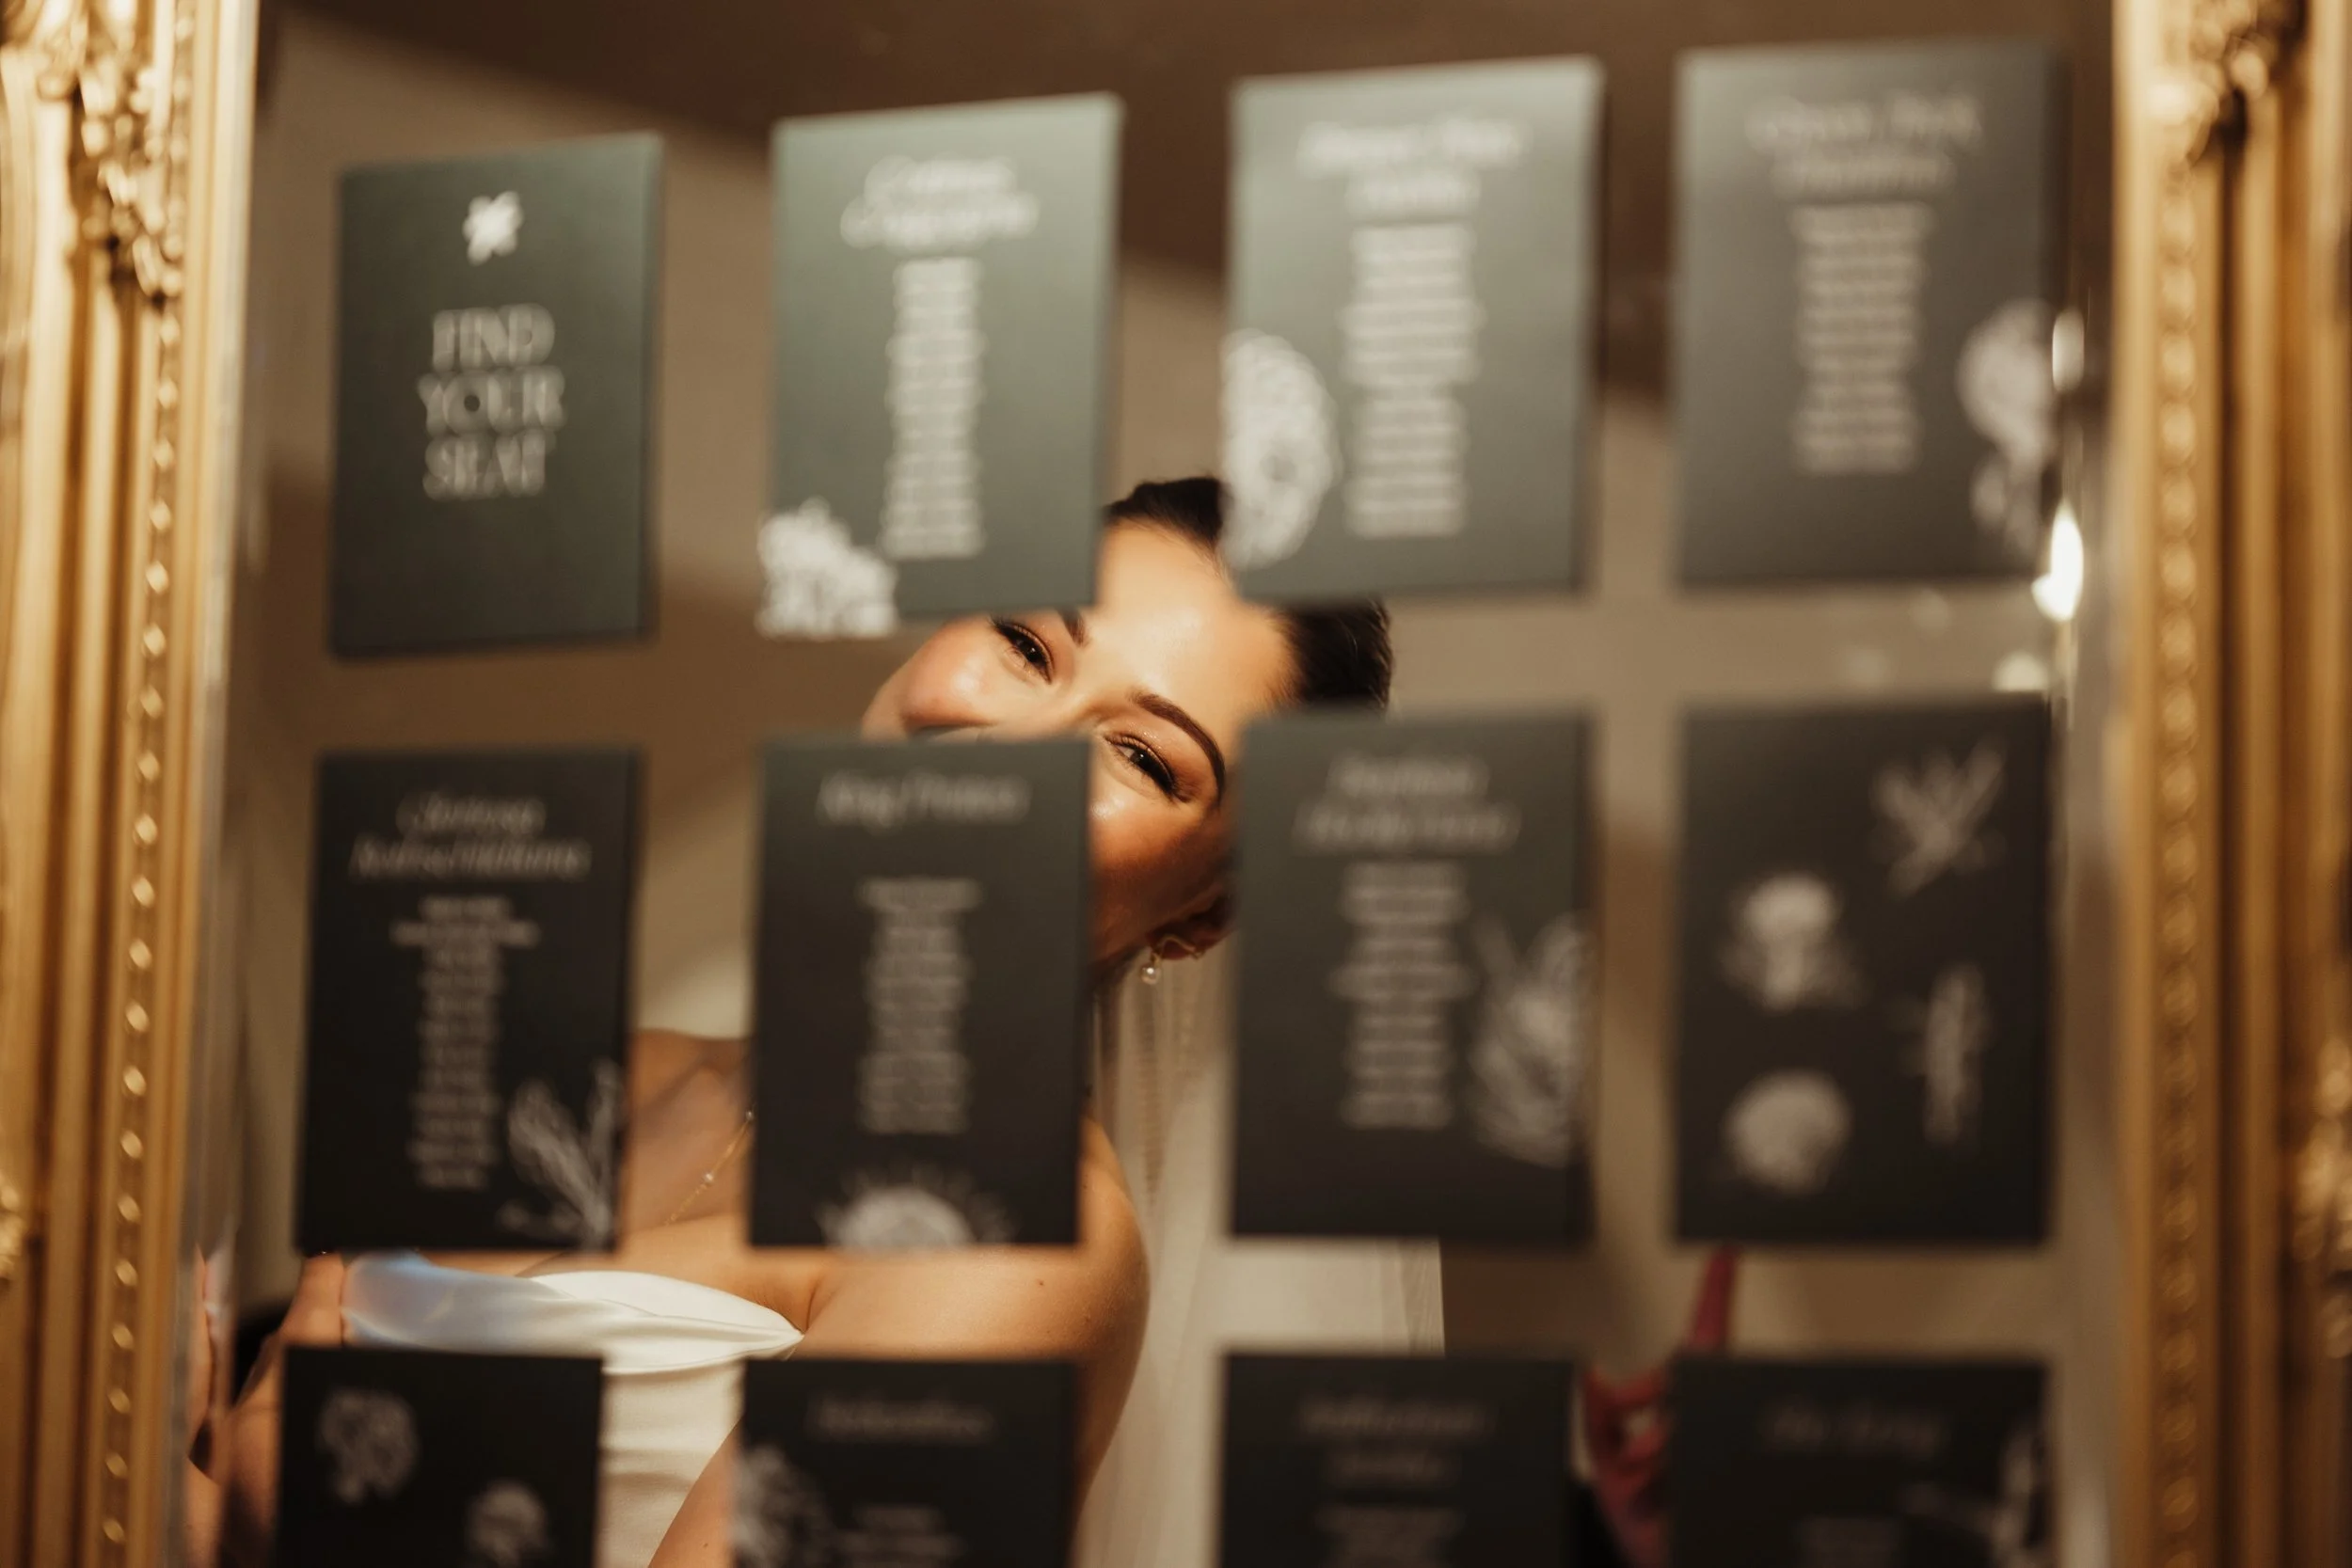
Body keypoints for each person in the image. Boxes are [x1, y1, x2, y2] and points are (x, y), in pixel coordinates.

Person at [187, 477, 1393, 1568]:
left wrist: (253, 1523)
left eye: (1139, 753)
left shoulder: (1026, 1245)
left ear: (1200, 915)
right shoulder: (590, 1072)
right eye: (1027, 642)